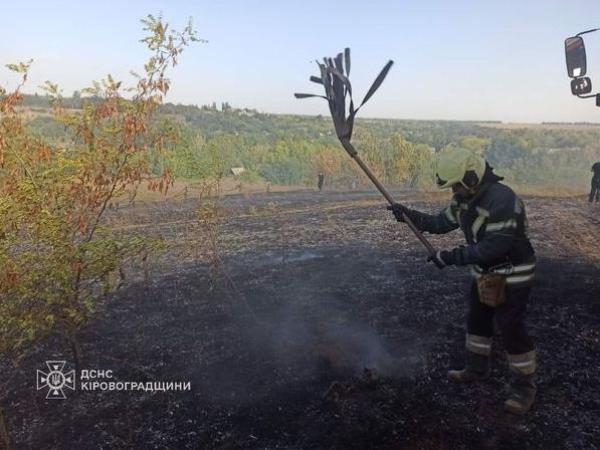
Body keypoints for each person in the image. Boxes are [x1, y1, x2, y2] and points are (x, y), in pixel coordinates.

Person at [388, 147, 537, 415]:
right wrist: (407, 215)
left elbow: (493, 247)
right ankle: (476, 370)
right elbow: (439, 223)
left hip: (514, 272)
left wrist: (450, 257)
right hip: (486, 272)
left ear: (471, 177)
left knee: (510, 327)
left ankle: (524, 387)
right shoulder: (464, 199)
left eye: (456, 185)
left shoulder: (503, 200)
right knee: (477, 320)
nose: (453, 191)